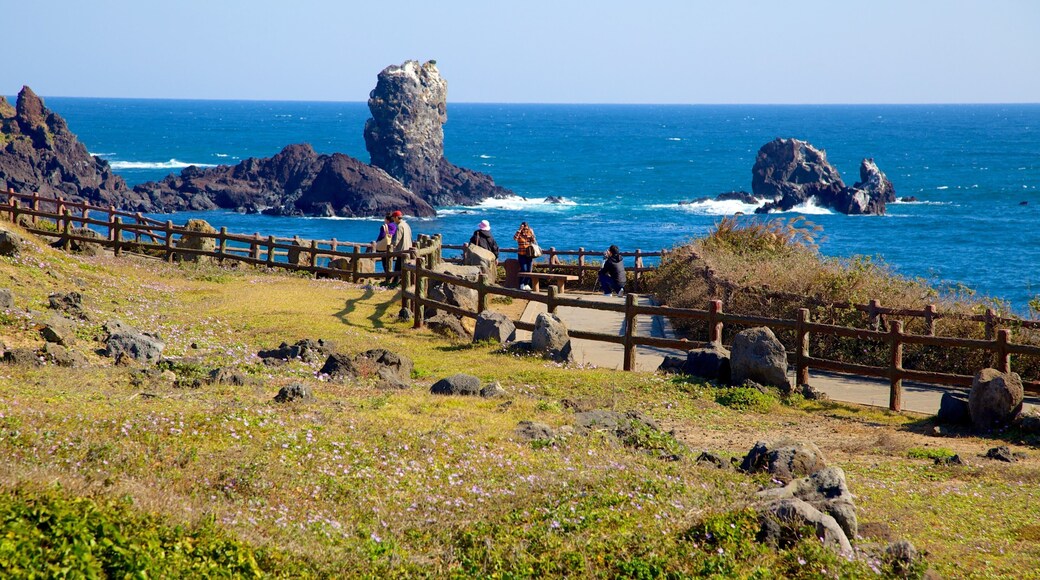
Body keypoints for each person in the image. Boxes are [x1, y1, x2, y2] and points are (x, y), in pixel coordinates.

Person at [389, 210, 412, 287]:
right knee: (404, 267)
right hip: (408, 249)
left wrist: (391, 246)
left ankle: (394, 283)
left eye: (393, 218)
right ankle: (400, 282)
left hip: (401, 250)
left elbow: (396, 240)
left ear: (396, 217)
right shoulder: (406, 225)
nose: (393, 220)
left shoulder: (399, 226)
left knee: (398, 267)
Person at [373, 212, 397, 280]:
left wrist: (377, 242)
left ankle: (387, 277)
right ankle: (390, 276)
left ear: (387, 220)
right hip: (391, 246)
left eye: (385, 218)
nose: (384, 220)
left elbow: (382, 235)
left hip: (384, 247)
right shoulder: (395, 226)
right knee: (389, 261)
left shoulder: (384, 226)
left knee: (384, 262)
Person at [513, 221, 536, 290]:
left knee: (529, 270)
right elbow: (515, 238)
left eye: (526, 229)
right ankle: (521, 284)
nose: (525, 230)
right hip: (521, 254)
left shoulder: (529, 233)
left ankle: (526, 284)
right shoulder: (519, 234)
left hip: (529, 254)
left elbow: (534, 241)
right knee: (523, 269)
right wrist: (519, 230)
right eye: (524, 229)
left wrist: (532, 233)